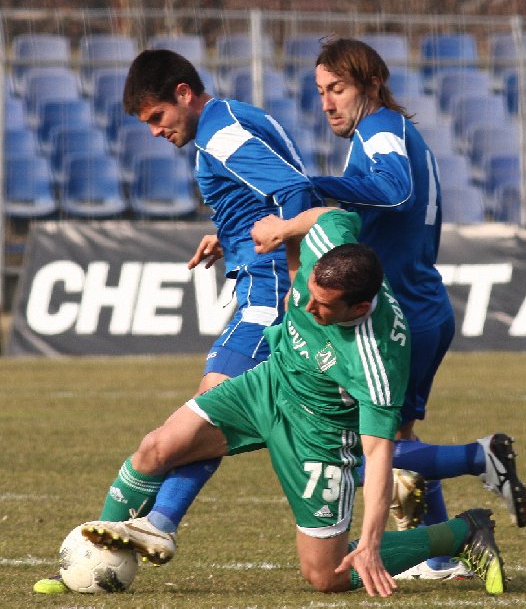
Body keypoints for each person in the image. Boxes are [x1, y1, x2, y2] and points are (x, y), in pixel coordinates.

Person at [78, 208, 506, 597]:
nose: (307, 304)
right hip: (269, 383)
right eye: (310, 292)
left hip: (320, 433)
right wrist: (284, 229)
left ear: (359, 307)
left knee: (326, 575)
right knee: (156, 448)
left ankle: (462, 533)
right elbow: (333, 214)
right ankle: (90, 566)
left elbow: (378, 455)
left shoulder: (377, 359)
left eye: (324, 305)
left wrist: (371, 542)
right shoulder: (331, 245)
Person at [33, 48, 323, 595]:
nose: (155, 132)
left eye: (157, 117)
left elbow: (295, 193)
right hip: (260, 287)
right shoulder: (233, 119)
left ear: (184, 94)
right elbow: (267, 194)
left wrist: (294, 274)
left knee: (182, 433)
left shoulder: (220, 134)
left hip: (269, 300)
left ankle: (121, 545)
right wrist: (231, 236)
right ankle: (138, 533)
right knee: (203, 429)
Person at [310, 38, 526, 579]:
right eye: (320, 91)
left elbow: (394, 191)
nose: (327, 103)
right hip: (422, 305)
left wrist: (313, 185)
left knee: (355, 450)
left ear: (372, 84)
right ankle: (439, 556)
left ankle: (479, 457)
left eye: (337, 89)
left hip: (398, 316)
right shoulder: (397, 132)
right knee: (399, 440)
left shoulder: (380, 131)